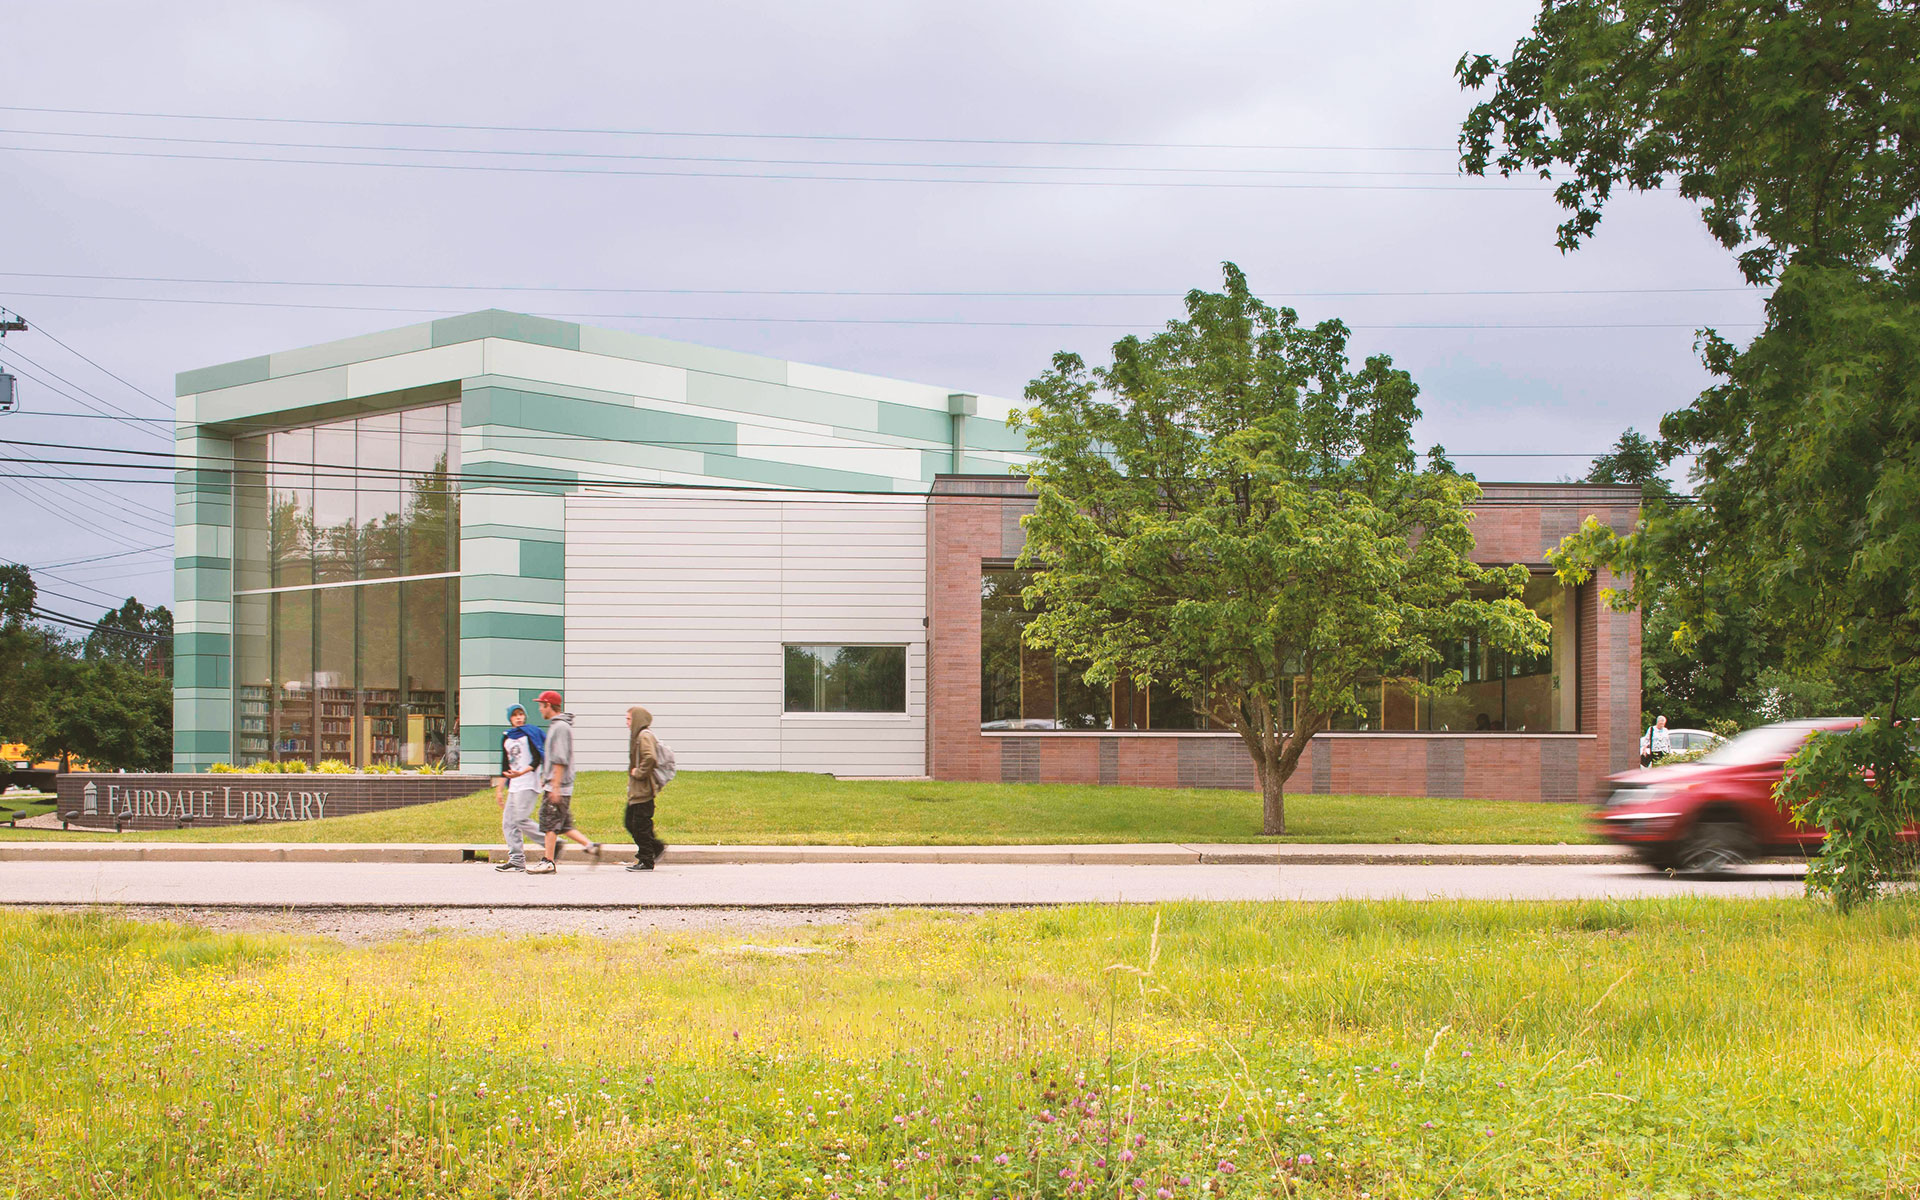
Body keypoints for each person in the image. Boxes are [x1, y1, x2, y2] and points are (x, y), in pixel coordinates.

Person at [527, 690, 600, 873]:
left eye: (541, 705)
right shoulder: (558, 726)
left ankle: (548, 861)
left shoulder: (560, 727)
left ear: (548, 705)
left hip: (558, 785)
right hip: (557, 784)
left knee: (549, 822)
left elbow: (560, 759)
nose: (539, 709)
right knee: (563, 823)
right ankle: (591, 846)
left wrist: (555, 786)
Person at [493, 703, 545, 873]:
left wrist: (521, 773)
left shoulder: (529, 734)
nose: (519, 718)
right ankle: (516, 859)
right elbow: (505, 765)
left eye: (521, 714)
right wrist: (500, 789)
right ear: (510, 718)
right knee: (508, 822)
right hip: (514, 785)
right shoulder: (507, 737)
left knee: (521, 819)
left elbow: (537, 759)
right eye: (515, 715)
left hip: (528, 782)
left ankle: (552, 844)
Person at [624, 706, 669, 872]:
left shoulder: (644, 736)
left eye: (629, 719)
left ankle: (646, 860)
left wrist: (639, 773)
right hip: (637, 790)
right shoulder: (639, 736)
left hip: (643, 790)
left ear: (637, 719)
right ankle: (655, 848)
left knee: (639, 826)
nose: (627, 723)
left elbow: (650, 757)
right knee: (633, 823)